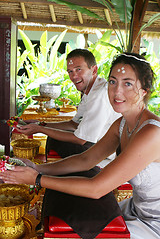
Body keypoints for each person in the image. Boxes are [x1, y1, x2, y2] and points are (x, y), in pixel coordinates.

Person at [1, 53, 160, 239]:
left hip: (154, 222)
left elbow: (96, 188)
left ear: (144, 91)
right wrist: (38, 167)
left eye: (128, 83)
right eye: (112, 82)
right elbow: (86, 159)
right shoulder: (122, 124)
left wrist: (37, 179)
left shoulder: (151, 133)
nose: (117, 92)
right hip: (135, 209)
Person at [17, 49, 120, 159]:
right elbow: (73, 124)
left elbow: (80, 139)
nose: (74, 76)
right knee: (54, 138)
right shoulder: (91, 90)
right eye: (70, 71)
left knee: (56, 141)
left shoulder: (99, 94)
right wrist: (41, 124)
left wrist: (40, 129)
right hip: (94, 144)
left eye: (78, 69)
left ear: (94, 70)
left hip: (106, 154)